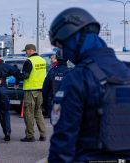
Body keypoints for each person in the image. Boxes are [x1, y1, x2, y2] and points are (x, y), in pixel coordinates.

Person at [48, 7, 130, 162]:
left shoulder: (78, 78)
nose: (63, 53)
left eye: (61, 46)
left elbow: (63, 143)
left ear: (72, 39)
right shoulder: (127, 71)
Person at [18, 44, 47, 142]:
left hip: (30, 90)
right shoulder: (42, 60)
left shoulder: (29, 61)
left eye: (26, 51)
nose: (26, 53)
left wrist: (17, 75)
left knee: (28, 113)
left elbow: (25, 75)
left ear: (30, 50)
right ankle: (43, 134)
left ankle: (30, 135)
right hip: (40, 90)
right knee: (38, 112)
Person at [42, 52, 71, 118]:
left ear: (57, 59)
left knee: (56, 125)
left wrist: (44, 106)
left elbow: (45, 90)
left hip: (54, 104)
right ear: (67, 59)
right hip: (68, 104)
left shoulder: (52, 71)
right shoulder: (71, 72)